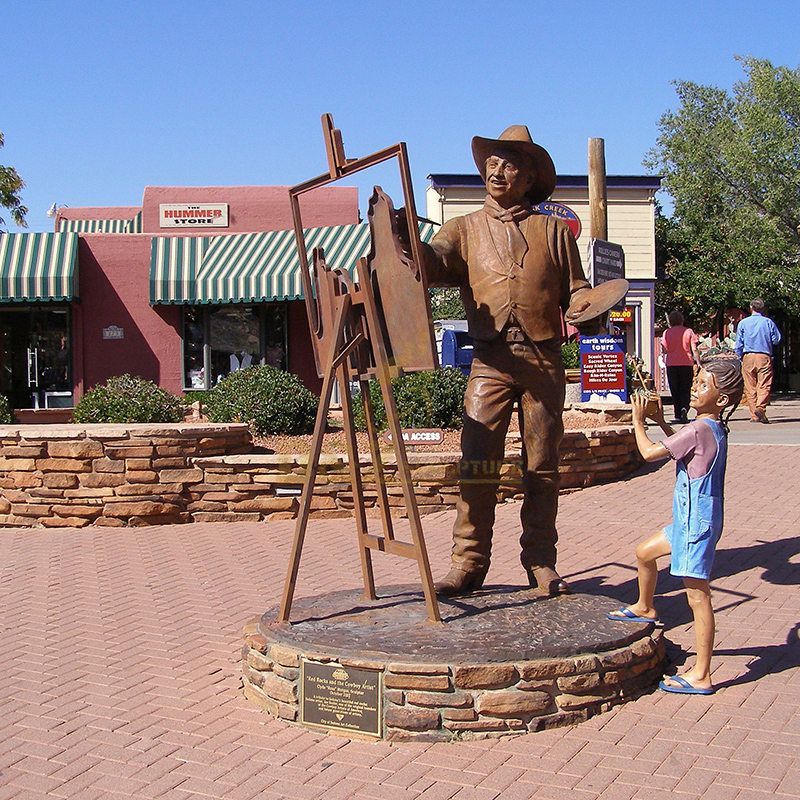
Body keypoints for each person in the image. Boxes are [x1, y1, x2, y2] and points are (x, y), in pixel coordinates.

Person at [416, 125, 595, 597]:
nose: (497, 170)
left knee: (543, 466)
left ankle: (540, 561)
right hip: (490, 361)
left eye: (509, 163)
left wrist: (586, 307)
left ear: (529, 175)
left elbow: (576, 291)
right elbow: (432, 266)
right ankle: (468, 562)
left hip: (543, 360)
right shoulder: (463, 228)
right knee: (476, 462)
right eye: (492, 162)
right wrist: (404, 241)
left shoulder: (555, 231)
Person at [607, 354, 744, 695]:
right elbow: (681, 448)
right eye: (696, 382)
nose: (695, 389)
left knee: (698, 597)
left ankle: (702, 673)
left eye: (703, 385)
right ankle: (645, 605)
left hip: (695, 525)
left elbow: (651, 454)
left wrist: (639, 421)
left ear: (722, 399)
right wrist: (661, 420)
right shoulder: (712, 428)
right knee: (644, 553)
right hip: (691, 520)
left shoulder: (699, 428)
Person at [735, 298, 782, 423]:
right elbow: (777, 339)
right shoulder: (768, 322)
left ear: (751, 307)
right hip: (763, 355)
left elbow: (739, 342)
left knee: (750, 386)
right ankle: (760, 407)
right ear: (763, 308)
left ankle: (754, 414)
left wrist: (739, 355)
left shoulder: (743, 323)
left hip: (748, 356)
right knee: (764, 384)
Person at [660, 310, 700, 424]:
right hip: (686, 363)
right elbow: (694, 349)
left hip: (672, 364)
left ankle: (677, 413)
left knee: (675, 389)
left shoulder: (666, 332)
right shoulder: (688, 331)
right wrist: (698, 362)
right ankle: (685, 409)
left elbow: (664, 350)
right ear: (681, 320)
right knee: (686, 388)